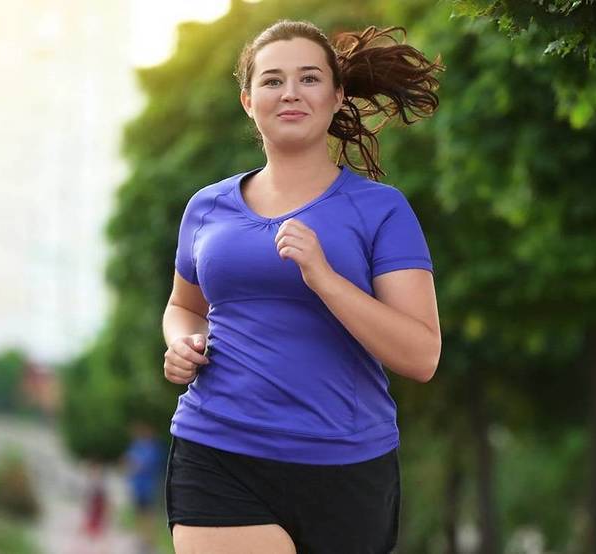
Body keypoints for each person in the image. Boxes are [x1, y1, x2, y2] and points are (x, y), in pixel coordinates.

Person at [161, 19, 443, 554]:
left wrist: (326, 279)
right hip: (218, 447)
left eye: (309, 78)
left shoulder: (382, 210)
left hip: (347, 465)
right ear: (248, 101)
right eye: (271, 81)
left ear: (338, 96)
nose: (289, 92)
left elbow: (421, 355)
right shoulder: (206, 207)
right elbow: (183, 306)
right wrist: (180, 341)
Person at [123, 420, 166, 554]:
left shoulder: (154, 447)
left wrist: (135, 465)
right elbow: (127, 462)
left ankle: (149, 541)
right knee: (138, 513)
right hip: (137, 486)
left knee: (149, 514)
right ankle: (141, 538)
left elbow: (143, 464)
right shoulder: (136, 446)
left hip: (149, 486)